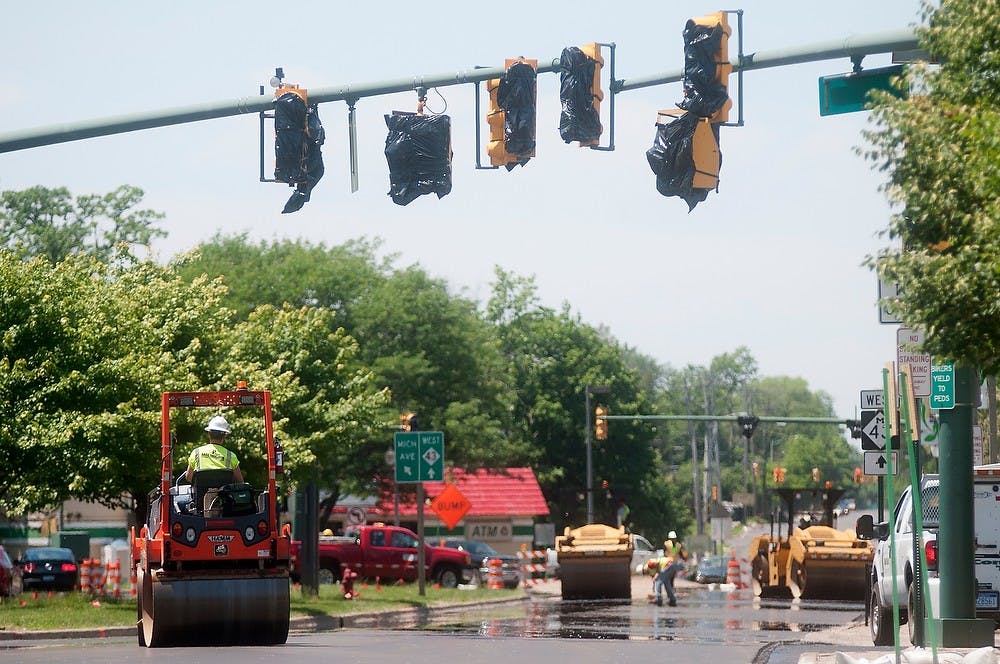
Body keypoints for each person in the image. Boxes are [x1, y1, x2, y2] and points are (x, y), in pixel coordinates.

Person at [185, 415, 244, 484]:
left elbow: (189, 478)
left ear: (209, 434)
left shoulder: (196, 453)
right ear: (225, 435)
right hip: (223, 495)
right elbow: (240, 482)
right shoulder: (231, 456)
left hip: (201, 495)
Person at [652, 530, 688, 607]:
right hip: (674, 565)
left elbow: (662, 554)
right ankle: (671, 598)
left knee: (659, 581)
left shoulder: (666, 544)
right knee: (669, 580)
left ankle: (659, 597)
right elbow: (681, 555)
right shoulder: (678, 545)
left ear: (669, 538)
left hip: (667, 564)